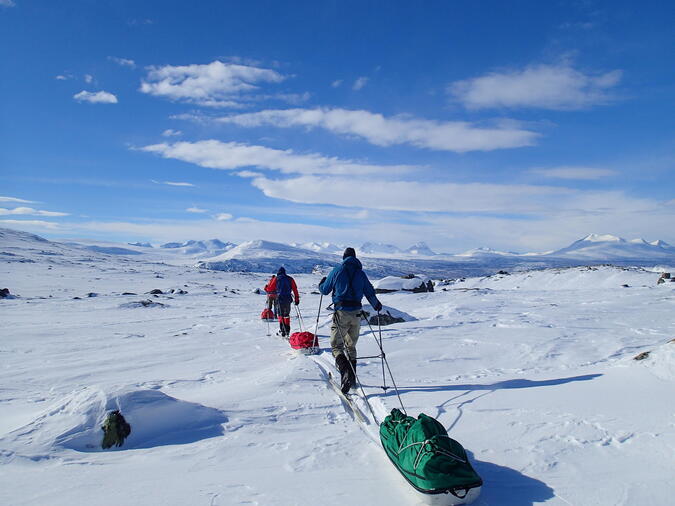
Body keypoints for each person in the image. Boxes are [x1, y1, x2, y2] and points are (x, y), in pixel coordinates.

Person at [319, 247, 382, 393]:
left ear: (344, 257)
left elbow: (324, 290)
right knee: (351, 346)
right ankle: (352, 377)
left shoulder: (337, 270)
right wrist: (376, 305)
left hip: (341, 312)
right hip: (357, 313)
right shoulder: (360, 273)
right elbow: (369, 292)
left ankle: (345, 373)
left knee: (336, 346)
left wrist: (321, 283)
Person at [266, 267, 300, 337]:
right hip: (288, 299)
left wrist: (266, 287)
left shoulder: (276, 278)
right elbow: (295, 289)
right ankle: (287, 330)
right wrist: (297, 299)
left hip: (279, 299)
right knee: (286, 314)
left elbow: (270, 289)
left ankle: (282, 330)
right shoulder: (290, 278)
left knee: (280, 315)